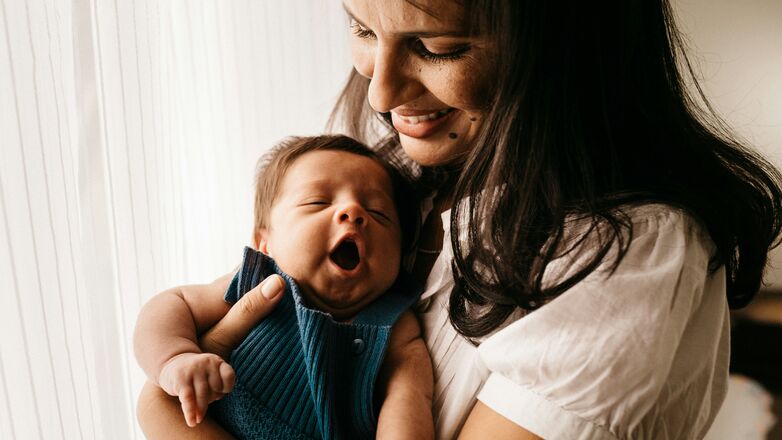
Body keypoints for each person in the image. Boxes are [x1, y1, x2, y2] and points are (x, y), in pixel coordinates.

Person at [137, 0, 782, 438]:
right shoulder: (402, 177)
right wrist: (171, 372)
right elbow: (195, 316)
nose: (381, 94)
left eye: (438, 46)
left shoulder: (622, 255)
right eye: (362, 27)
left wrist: (164, 414)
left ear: (567, 48)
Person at [134, 135, 434, 439]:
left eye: (378, 213)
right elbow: (173, 304)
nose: (354, 212)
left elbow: (408, 397)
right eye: (318, 202)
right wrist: (176, 359)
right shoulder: (257, 283)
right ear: (265, 242)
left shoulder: (394, 324)